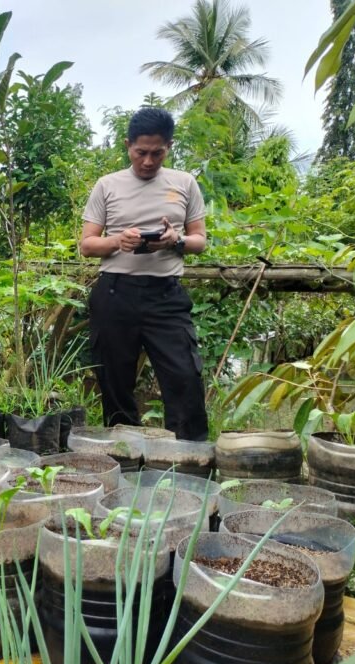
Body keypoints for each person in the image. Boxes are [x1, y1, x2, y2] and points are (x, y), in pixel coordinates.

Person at [78, 107, 209, 441]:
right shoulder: (107, 185)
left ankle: (188, 457)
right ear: (128, 146)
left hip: (166, 295)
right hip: (115, 293)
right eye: (141, 153)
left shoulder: (184, 183)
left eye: (157, 153)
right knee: (114, 381)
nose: (148, 161)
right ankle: (124, 455)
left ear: (169, 147)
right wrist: (117, 241)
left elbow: (199, 240)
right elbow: (87, 245)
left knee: (184, 377)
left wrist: (175, 240)